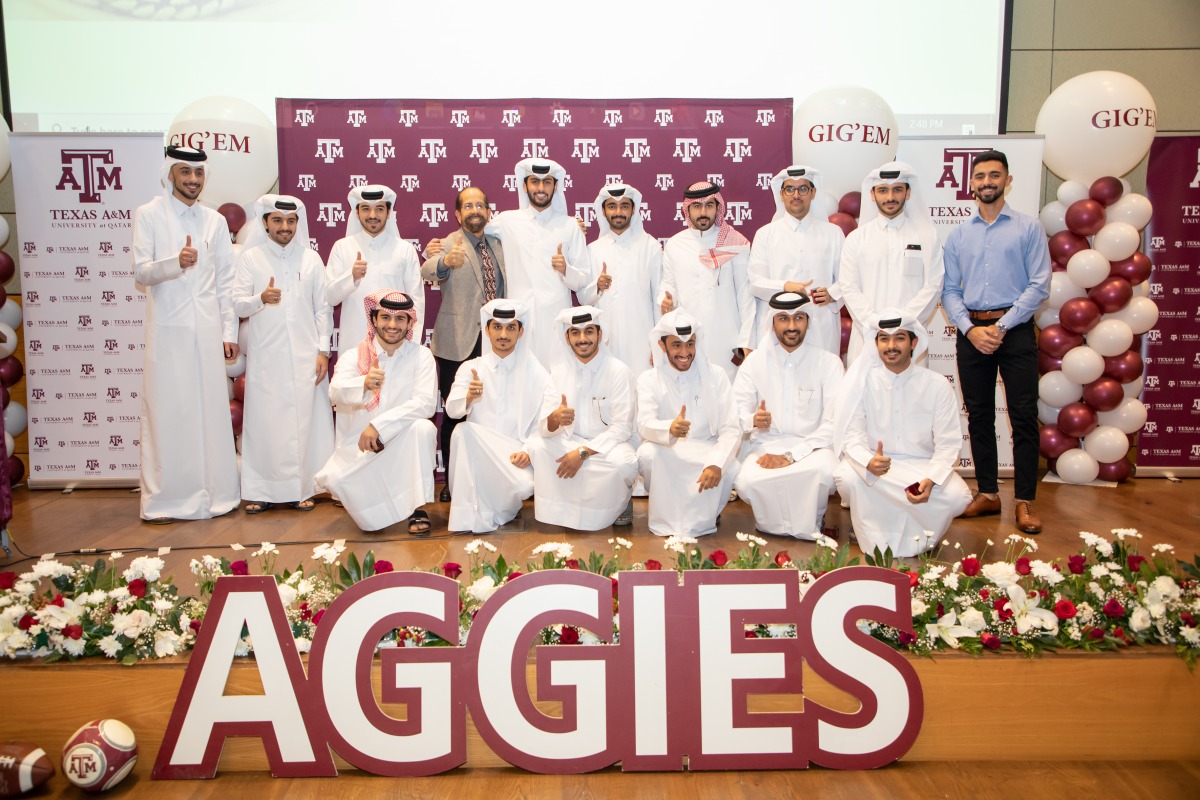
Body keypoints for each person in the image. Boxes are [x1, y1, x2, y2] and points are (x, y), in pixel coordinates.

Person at [942, 149, 1050, 534]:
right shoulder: (959, 234)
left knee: (1023, 416)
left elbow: (1039, 285)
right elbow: (950, 290)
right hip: (972, 332)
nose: (987, 182)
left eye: (994, 175)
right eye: (980, 176)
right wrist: (970, 329)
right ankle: (988, 493)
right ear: (971, 183)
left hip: (1015, 330)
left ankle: (1024, 501)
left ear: (1008, 180)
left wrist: (1001, 327)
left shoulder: (1028, 228)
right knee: (979, 415)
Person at [131, 145, 240, 524]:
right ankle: (166, 501)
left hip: (208, 332)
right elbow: (141, 272)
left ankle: (217, 495)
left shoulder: (215, 221)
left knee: (210, 413)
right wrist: (174, 263)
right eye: (185, 172)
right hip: (168, 334)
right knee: (169, 413)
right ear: (170, 174)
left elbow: (226, 281)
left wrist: (228, 331)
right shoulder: (149, 214)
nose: (193, 180)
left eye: (198, 173)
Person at [832, 310, 972, 557]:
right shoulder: (862, 383)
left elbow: (948, 444)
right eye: (884, 339)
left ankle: (920, 535)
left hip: (921, 468)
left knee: (958, 496)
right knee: (847, 477)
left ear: (914, 342)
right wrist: (868, 461)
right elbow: (852, 436)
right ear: (875, 344)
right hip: (877, 467)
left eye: (899, 338)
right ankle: (879, 531)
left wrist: (932, 478)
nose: (891, 346)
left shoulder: (937, 385)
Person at [232, 195, 334, 513]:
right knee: (266, 425)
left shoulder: (311, 259)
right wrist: (260, 299)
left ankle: (304, 489)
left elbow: (323, 309)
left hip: (306, 356)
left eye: (290, 221)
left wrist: (323, 351)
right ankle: (261, 491)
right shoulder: (251, 259)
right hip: (267, 357)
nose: (285, 227)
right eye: (277, 220)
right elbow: (238, 305)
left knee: (304, 425)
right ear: (265, 223)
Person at [315, 291, 438, 534]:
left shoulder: (421, 356)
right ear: (373, 320)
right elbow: (334, 393)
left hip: (400, 444)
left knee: (424, 428)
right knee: (339, 484)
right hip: (361, 449)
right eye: (385, 317)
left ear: (410, 323)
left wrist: (379, 426)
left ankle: (416, 508)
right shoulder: (354, 356)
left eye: (400, 319)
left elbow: (425, 403)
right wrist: (363, 383)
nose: (392, 325)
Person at [732, 292, 844, 538]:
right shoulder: (754, 363)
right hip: (765, 448)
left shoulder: (828, 363)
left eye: (799, 318)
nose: (792, 326)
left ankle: (810, 522)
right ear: (772, 323)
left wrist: (791, 456)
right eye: (783, 318)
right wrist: (752, 420)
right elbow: (735, 413)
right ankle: (775, 526)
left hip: (813, 449)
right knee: (747, 481)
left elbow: (835, 423)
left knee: (823, 472)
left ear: (808, 321)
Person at [421, 186, 506, 499]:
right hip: (457, 342)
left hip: (496, 342)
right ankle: (454, 482)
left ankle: (490, 478)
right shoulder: (447, 242)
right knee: (455, 413)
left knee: (493, 411)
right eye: (468, 206)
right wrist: (445, 261)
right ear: (458, 214)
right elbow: (427, 269)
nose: (475, 211)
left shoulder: (499, 244)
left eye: (480, 205)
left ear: (488, 211)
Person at [444, 300, 556, 532]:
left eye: (510, 327)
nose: (503, 334)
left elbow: (542, 423)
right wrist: (468, 398)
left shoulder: (537, 374)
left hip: (514, 456)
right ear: (487, 330)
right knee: (463, 431)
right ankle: (467, 516)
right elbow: (453, 411)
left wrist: (528, 450)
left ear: (520, 331)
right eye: (497, 327)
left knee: (522, 487)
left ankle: (490, 509)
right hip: (478, 456)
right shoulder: (471, 368)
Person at [529, 306, 638, 530]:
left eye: (588, 331)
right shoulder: (558, 373)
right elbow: (544, 429)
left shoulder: (618, 371)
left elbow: (622, 429)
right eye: (575, 333)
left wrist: (582, 453)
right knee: (538, 447)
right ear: (567, 338)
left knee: (625, 465)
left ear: (600, 334)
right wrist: (555, 419)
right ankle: (566, 508)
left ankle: (620, 502)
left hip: (609, 446)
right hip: (571, 441)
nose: (582, 339)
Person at [636, 310, 740, 537]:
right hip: (669, 450)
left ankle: (711, 512)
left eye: (690, 344)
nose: (684, 353)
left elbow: (731, 428)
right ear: (662, 345)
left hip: (706, 448)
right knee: (646, 454)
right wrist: (669, 428)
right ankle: (668, 514)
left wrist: (716, 463)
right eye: (676, 345)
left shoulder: (716, 375)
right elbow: (644, 423)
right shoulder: (649, 379)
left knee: (732, 466)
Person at [835, 162, 943, 363]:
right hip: (866, 338)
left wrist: (903, 326)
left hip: (910, 339)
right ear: (872, 194)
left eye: (897, 190)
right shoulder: (856, 239)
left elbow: (934, 285)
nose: (890, 197)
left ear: (908, 193)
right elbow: (849, 287)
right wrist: (874, 325)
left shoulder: (927, 236)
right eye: (883, 190)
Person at [487, 158, 591, 365]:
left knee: (556, 374)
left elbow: (583, 279)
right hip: (518, 319)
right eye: (535, 181)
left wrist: (566, 269)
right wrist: (438, 248)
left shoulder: (570, 226)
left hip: (555, 318)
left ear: (555, 186)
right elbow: (473, 231)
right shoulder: (507, 220)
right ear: (524, 186)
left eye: (547, 182)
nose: (541, 188)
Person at [659, 181, 754, 381]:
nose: (703, 212)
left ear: (718, 207)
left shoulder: (735, 243)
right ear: (687, 209)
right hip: (687, 340)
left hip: (727, 341)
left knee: (727, 393)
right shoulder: (675, 245)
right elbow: (668, 285)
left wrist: (747, 341)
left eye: (709, 205)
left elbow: (746, 296)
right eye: (697, 206)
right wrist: (666, 301)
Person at [747, 166, 844, 356]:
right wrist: (785, 286)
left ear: (813, 193)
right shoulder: (765, 234)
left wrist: (832, 294)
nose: (796, 195)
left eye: (803, 189)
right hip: (779, 327)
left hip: (821, 325)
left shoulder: (833, 233)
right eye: (790, 189)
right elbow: (755, 282)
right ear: (781, 194)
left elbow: (848, 279)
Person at [326, 184, 424, 357]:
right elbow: (330, 298)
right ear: (357, 213)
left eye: (379, 209)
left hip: (396, 344)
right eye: (366, 209)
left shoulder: (405, 250)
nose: (372, 215)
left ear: (388, 212)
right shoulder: (342, 247)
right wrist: (351, 277)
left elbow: (416, 301)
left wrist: (412, 343)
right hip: (354, 342)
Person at [577, 183, 662, 373]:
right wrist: (598, 286)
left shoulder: (651, 247)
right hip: (605, 344)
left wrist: (658, 343)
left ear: (633, 210)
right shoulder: (593, 250)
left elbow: (659, 300)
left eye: (624, 206)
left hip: (642, 342)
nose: (618, 212)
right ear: (603, 211)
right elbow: (583, 299)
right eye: (612, 206)